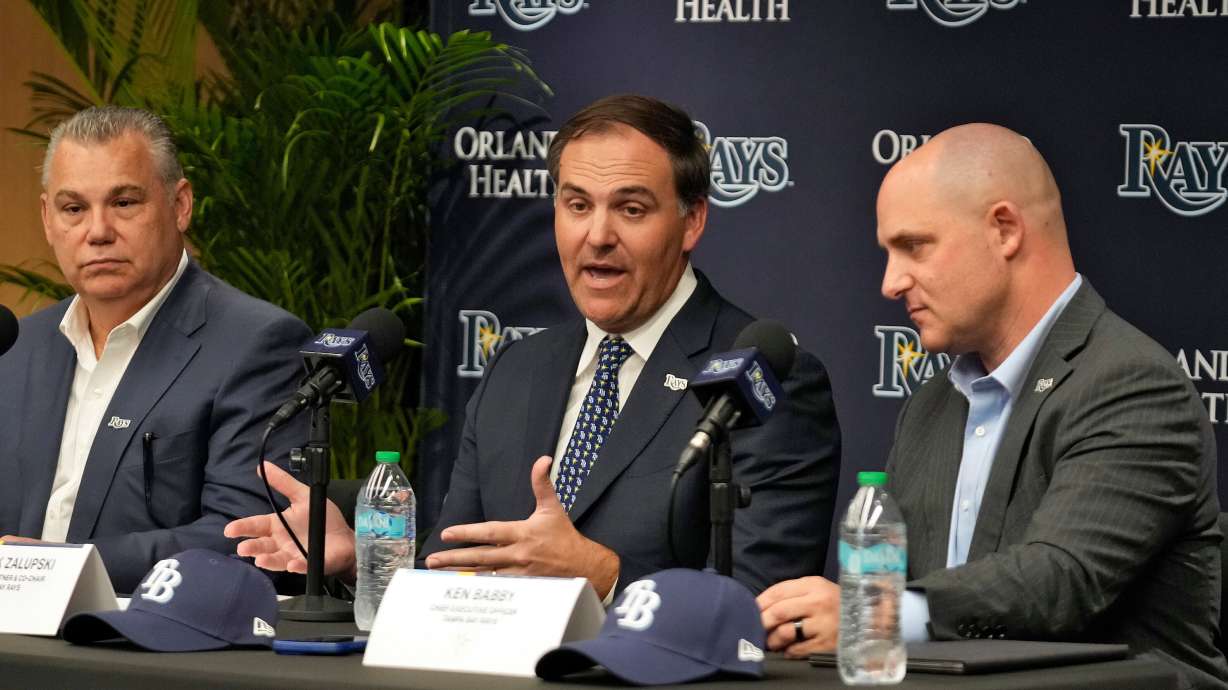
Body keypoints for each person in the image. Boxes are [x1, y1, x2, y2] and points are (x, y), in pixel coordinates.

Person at [227, 94, 842, 599]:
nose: (597, 236)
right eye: (577, 205)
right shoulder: (518, 369)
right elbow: (454, 565)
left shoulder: (762, 380)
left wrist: (601, 575)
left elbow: (765, 606)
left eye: (630, 208)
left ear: (692, 221)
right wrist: (364, 560)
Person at [758, 123, 1227, 689]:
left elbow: (1060, 577)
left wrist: (872, 615)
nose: (889, 281)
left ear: (1004, 230)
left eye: (913, 246)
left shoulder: (1132, 385)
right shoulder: (931, 404)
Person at [0, 106, 312, 593]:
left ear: (180, 204)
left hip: (142, 644)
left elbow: (248, 537)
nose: (97, 231)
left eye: (124, 202)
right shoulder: (18, 346)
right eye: (74, 209)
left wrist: (55, 567)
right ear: (47, 218)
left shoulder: (256, 344)